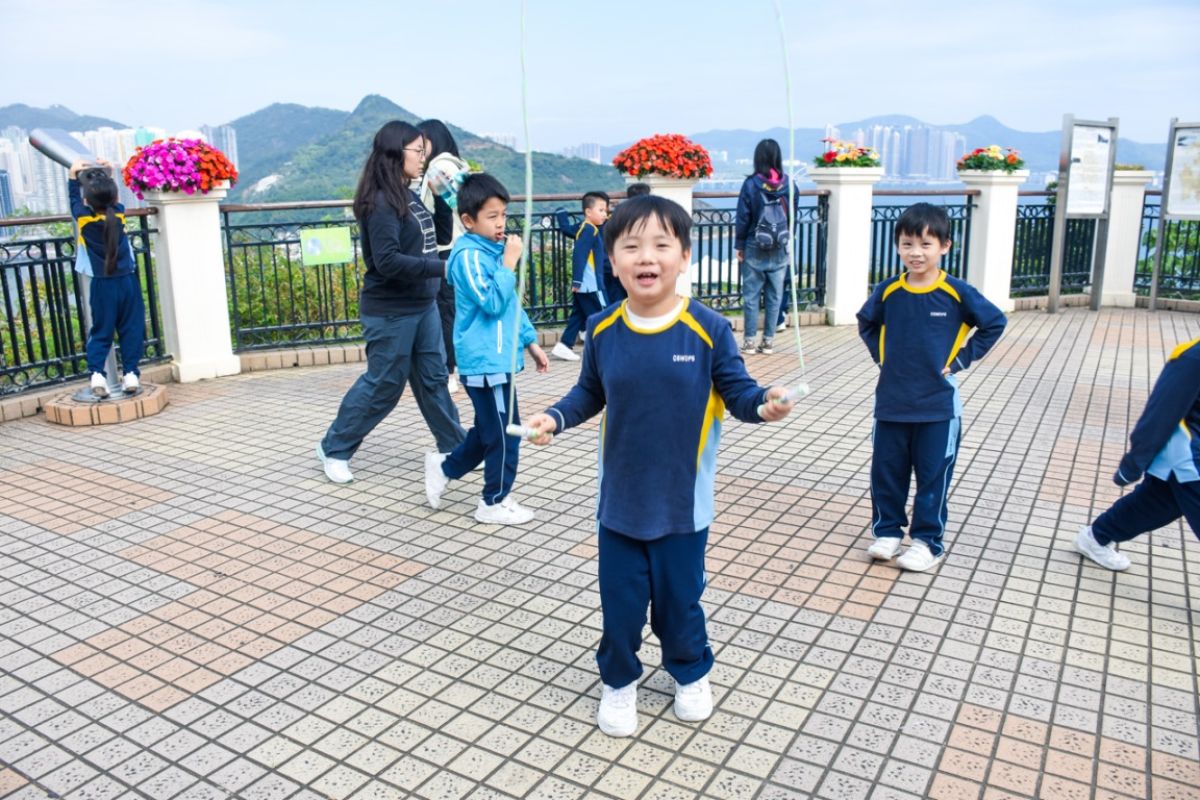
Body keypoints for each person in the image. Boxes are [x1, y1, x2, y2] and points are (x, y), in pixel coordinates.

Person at [524, 195, 794, 737]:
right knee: (620, 605)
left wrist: (764, 404)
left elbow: (739, 392)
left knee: (679, 604)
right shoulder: (602, 328)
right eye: (631, 247)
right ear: (613, 261)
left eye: (661, 245)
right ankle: (619, 681)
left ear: (684, 255)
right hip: (619, 504)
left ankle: (690, 672)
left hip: (682, 505)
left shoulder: (709, 328)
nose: (646, 257)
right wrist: (554, 417)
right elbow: (588, 394)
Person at [857, 203, 1007, 571]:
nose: (916, 253)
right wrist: (882, 356)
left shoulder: (957, 292)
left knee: (932, 477)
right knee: (886, 472)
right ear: (897, 246)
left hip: (938, 407)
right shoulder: (889, 290)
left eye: (926, 244)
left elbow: (994, 322)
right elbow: (866, 322)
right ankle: (888, 532)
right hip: (891, 403)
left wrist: (960, 360)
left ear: (944, 246)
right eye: (907, 244)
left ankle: (928, 542)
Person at [316, 121, 465, 484]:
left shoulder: (407, 194)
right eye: (418, 151)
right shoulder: (381, 201)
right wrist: (442, 269)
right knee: (384, 383)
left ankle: (455, 446)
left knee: (433, 378)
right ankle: (334, 448)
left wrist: (441, 198)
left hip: (423, 305)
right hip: (392, 310)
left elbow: (439, 237)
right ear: (396, 153)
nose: (423, 157)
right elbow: (387, 261)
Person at [424, 174, 549, 525]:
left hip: (499, 360)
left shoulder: (491, 252)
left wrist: (530, 342)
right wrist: (509, 263)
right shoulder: (468, 257)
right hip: (484, 363)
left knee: (487, 432)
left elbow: (511, 305)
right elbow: (493, 302)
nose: (500, 223)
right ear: (468, 220)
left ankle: (445, 468)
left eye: (503, 215)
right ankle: (493, 501)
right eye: (492, 216)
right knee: (506, 435)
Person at [1074, 336, 1200, 570]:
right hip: (1189, 460)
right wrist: (1133, 463)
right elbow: (1160, 413)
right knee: (1159, 502)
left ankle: (1097, 537)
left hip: (1186, 464)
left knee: (1157, 503)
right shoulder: (1192, 357)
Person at [68, 159, 144, 397]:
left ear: (87, 201)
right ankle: (130, 375)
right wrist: (109, 172)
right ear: (113, 197)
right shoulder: (118, 214)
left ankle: (97, 376)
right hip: (127, 282)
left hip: (103, 284)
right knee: (131, 328)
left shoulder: (83, 219)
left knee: (101, 331)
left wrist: (72, 176)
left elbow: (74, 201)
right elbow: (113, 198)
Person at [417, 119, 472, 394]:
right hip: (462, 245)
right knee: (456, 309)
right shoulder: (457, 165)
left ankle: (449, 372)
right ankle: (458, 368)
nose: (420, 150)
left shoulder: (438, 168)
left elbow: (445, 211)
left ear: (432, 140)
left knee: (446, 310)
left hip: (447, 247)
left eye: (422, 143)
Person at [735, 139, 791, 355]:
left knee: (751, 295)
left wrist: (740, 245)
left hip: (754, 244)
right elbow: (792, 215)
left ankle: (749, 342)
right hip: (779, 246)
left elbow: (743, 217)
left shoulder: (751, 184)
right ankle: (768, 342)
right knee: (775, 296)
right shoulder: (789, 184)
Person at [550, 191, 609, 361]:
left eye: (605, 210)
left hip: (586, 284)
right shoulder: (589, 230)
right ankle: (603, 349)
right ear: (588, 212)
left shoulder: (587, 228)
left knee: (578, 315)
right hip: (590, 284)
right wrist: (577, 280)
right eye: (601, 210)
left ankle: (564, 345)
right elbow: (579, 255)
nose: (605, 214)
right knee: (603, 314)